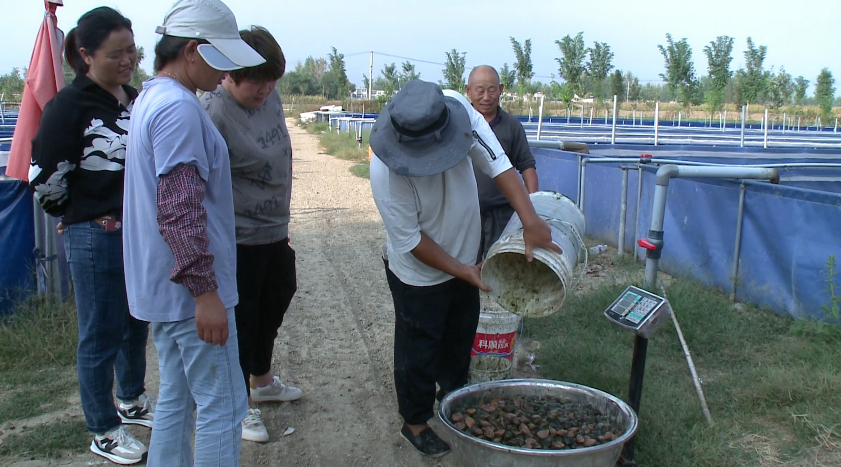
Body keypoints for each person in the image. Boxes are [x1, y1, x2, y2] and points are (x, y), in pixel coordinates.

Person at [369, 79, 560, 457]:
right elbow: (410, 241)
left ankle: (452, 395)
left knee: (459, 332)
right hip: (419, 273)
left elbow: (498, 162)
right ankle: (416, 420)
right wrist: (459, 269)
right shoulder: (385, 169)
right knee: (418, 346)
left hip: (467, 256)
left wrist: (531, 219)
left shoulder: (457, 109)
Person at [122, 0, 265, 464]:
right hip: (191, 295)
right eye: (219, 58)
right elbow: (179, 208)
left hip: (164, 288)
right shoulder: (179, 110)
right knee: (224, 406)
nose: (224, 72)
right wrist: (206, 293)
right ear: (192, 51)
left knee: (178, 399)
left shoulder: (151, 98)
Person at [29, 7, 152, 465]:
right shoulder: (70, 106)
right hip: (96, 236)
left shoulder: (134, 99)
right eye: (115, 54)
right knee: (100, 333)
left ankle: (132, 399)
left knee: (135, 322)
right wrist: (77, 213)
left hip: (137, 236)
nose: (127, 61)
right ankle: (102, 428)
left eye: (131, 51)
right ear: (85, 55)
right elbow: (45, 178)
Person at [200, 25, 301, 444]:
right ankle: (237, 405)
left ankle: (262, 381)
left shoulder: (270, 95)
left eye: (272, 79)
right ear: (229, 73)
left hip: (274, 229)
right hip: (238, 238)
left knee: (277, 299)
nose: (265, 89)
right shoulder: (213, 113)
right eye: (256, 81)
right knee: (241, 320)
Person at [465, 65, 539, 262]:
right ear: (468, 91)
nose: (486, 97)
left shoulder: (512, 126)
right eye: (480, 90)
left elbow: (526, 165)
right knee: (464, 266)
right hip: (466, 212)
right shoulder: (459, 124)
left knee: (501, 265)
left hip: (503, 213)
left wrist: (533, 207)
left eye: (492, 89)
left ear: (501, 90)